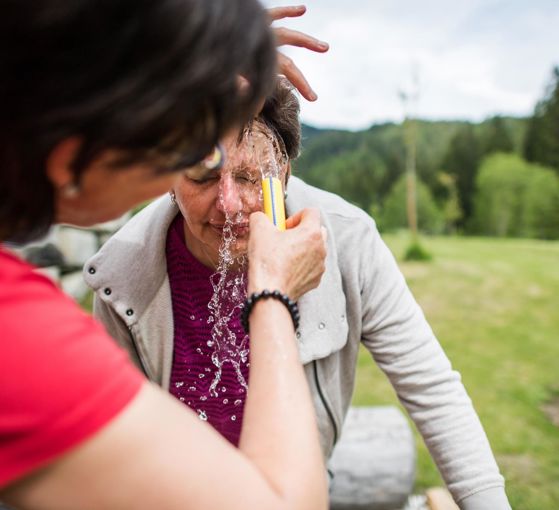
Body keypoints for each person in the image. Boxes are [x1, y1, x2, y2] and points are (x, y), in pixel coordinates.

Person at [86, 79, 512, 510]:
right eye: (202, 175)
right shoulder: (121, 276)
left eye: (251, 176)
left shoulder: (348, 239)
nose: (229, 203)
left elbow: (431, 387)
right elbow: (111, 451)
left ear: (284, 174)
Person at [0, 2, 331, 509]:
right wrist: (272, 295)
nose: (223, 197)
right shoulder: (18, 340)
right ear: (76, 159)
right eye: (188, 152)